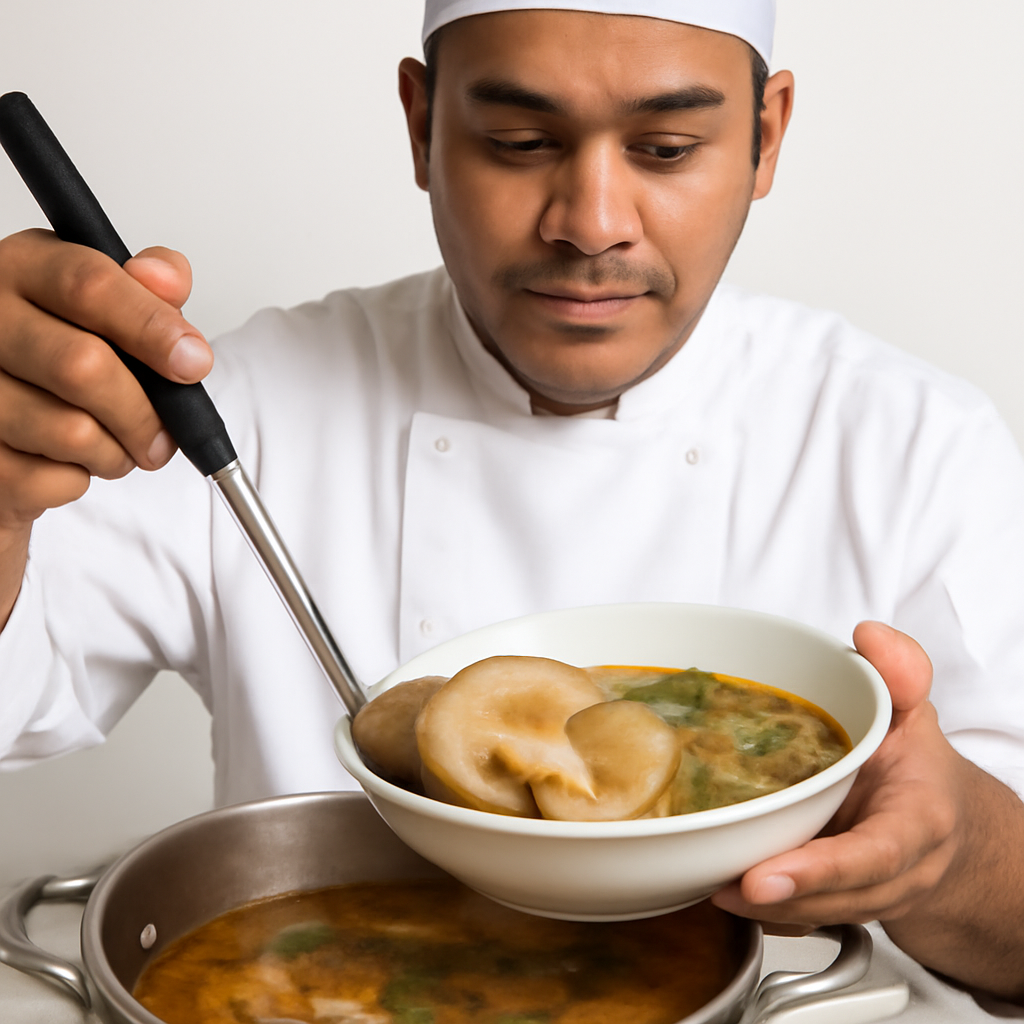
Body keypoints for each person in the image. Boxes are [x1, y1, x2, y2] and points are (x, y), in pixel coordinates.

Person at [1, 0, 1023, 1002]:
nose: (592, 223)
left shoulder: (915, 442)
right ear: (421, 124)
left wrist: (954, 854)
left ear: (766, 136)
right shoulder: (228, 409)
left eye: (665, 149)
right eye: (520, 141)